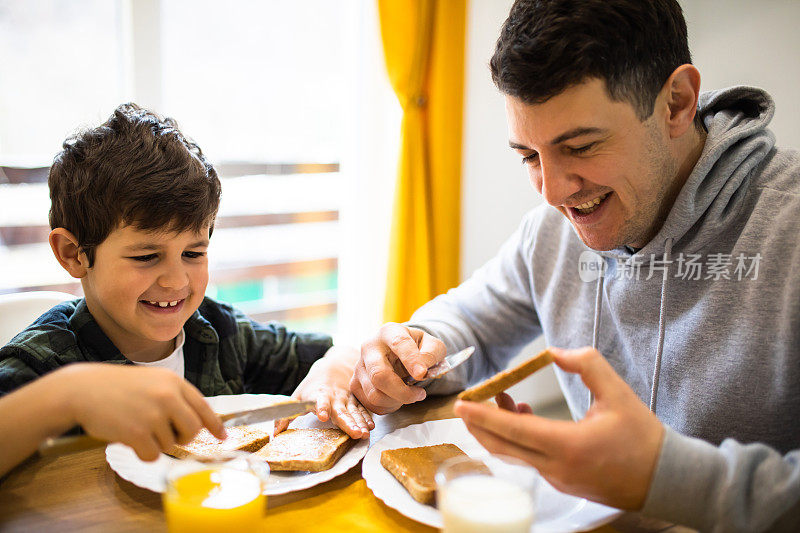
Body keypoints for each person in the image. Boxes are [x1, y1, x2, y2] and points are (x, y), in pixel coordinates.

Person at [350, 0, 800, 531]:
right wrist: (413, 349)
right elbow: (468, 323)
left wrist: (662, 477)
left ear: (677, 103)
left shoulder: (787, 229)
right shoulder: (554, 233)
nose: (554, 192)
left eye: (581, 147)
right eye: (529, 157)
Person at [0, 103, 372, 474]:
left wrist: (335, 366)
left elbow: (337, 355)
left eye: (193, 252)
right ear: (74, 254)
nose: (177, 281)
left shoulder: (220, 332)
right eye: (147, 256)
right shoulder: (44, 359)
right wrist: (69, 395)